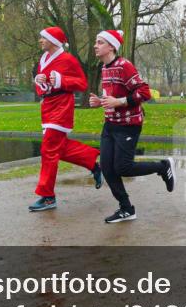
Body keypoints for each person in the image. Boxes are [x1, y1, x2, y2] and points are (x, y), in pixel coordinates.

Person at [88, 30, 175, 223]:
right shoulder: (104, 67)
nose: (95, 45)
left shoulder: (124, 66)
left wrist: (118, 102)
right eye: (96, 42)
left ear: (111, 46)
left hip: (128, 125)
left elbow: (144, 92)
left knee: (123, 167)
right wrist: (99, 102)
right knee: (107, 168)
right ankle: (126, 208)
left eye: (100, 42)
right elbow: (111, 97)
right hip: (110, 125)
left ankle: (162, 166)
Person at [29, 27, 103, 213]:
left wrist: (62, 80)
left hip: (62, 108)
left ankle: (47, 196)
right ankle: (93, 163)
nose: (40, 41)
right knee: (57, 148)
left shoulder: (68, 60)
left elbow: (82, 83)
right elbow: (42, 89)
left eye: (43, 38)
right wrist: (40, 83)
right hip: (47, 108)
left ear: (54, 41)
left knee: (48, 149)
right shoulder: (43, 60)